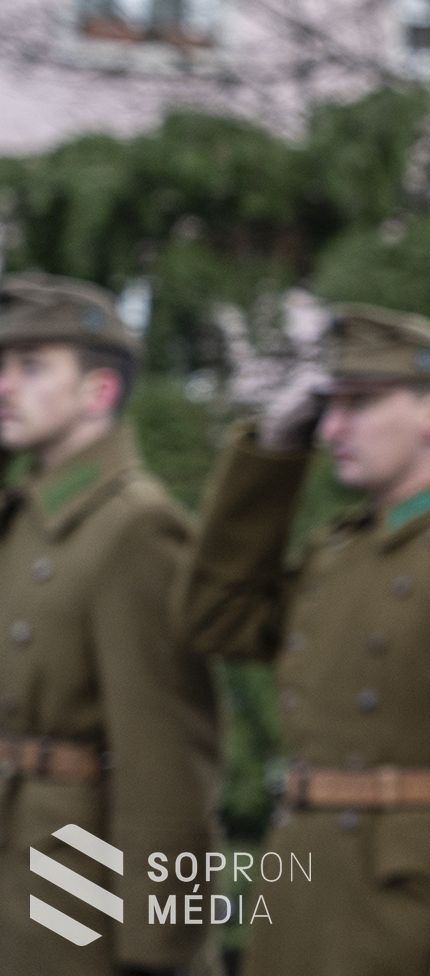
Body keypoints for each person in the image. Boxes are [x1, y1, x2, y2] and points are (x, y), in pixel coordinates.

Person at [180, 303, 430, 976]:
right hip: (301, 899)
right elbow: (214, 617)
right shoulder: (334, 556)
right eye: (329, 407)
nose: (334, 427)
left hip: (405, 922)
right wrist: (273, 454)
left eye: (361, 404)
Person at [0, 274, 220, 976]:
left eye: (32, 367)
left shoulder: (136, 527)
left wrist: (161, 944)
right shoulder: (24, 520)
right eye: (2, 366)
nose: (5, 385)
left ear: (99, 391)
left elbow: (168, 760)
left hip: (74, 875)